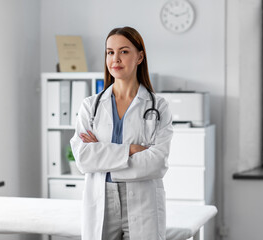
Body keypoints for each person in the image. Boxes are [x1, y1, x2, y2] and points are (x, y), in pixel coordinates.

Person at [70, 26, 173, 240]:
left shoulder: (158, 107)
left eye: (124, 51)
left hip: (142, 200)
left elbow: (157, 162)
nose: (115, 59)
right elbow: (83, 159)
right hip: (102, 199)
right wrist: (132, 150)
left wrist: (103, 159)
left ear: (139, 57)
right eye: (110, 52)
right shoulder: (91, 106)